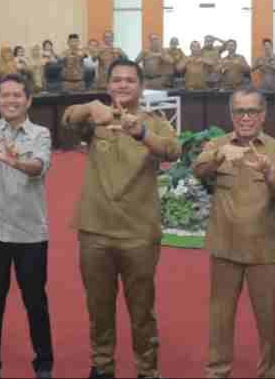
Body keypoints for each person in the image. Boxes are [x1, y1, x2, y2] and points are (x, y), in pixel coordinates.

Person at [61, 59, 180, 379]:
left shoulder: (154, 122)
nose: (123, 84)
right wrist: (91, 106)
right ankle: (102, 366)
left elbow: (172, 150)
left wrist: (140, 132)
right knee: (98, 307)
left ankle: (147, 370)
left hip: (139, 232)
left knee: (142, 311)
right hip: (95, 230)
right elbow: (68, 119)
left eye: (130, 80)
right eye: (116, 80)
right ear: (108, 85)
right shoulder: (94, 119)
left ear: (141, 86)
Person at [192, 88, 275, 378]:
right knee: (220, 318)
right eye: (239, 111)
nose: (245, 117)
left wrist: (270, 175)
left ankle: (269, 373)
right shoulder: (218, 144)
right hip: (225, 247)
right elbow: (198, 171)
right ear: (231, 114)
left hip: (264, 250)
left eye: (252, 111)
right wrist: (218, 157)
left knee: (268, 319)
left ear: (263, 115)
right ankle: (217, 372)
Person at [0, 74, 55, 379]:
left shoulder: (40, 133)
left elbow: (39, 166)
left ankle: (44, 364)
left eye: (17, 95)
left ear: (28, 100)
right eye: (5, 95)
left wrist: (14, 161)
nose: (11, 100)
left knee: (35, 301)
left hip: (29, 232)